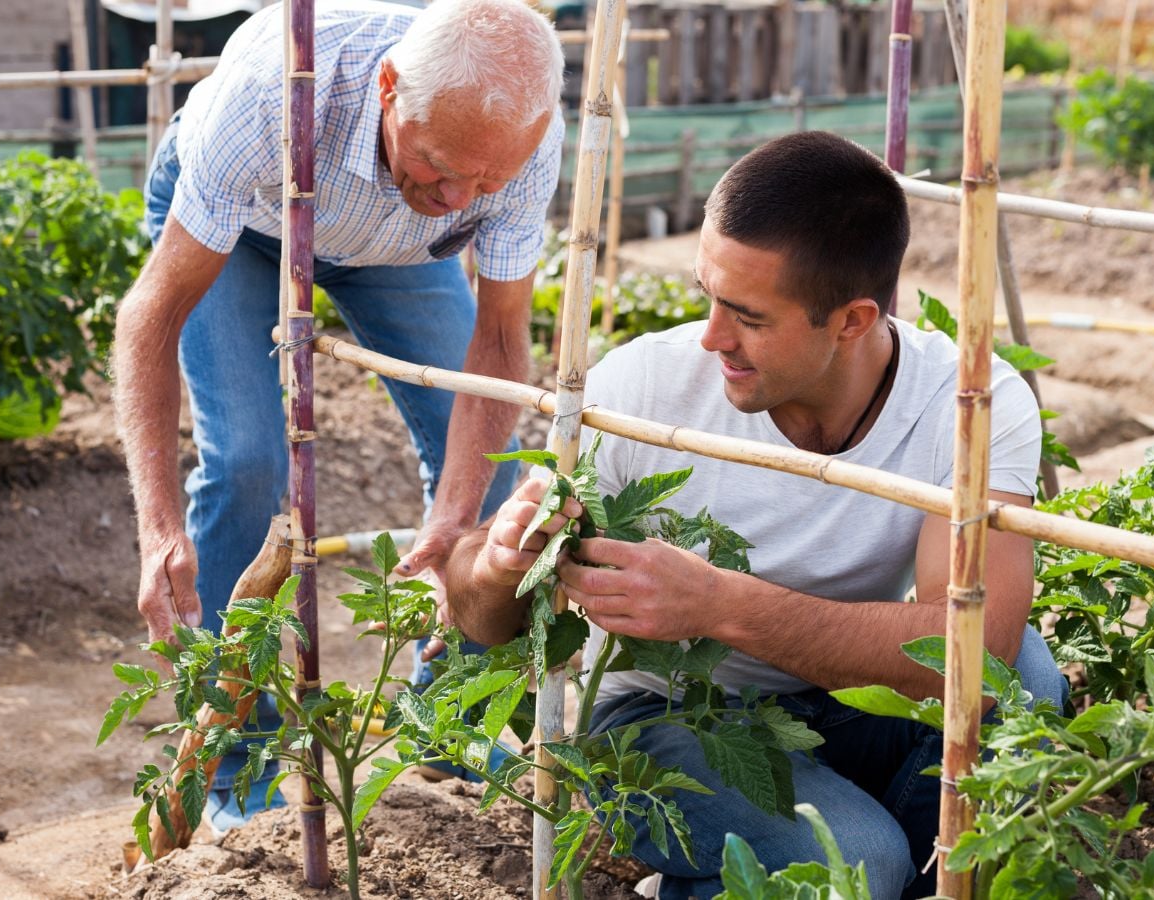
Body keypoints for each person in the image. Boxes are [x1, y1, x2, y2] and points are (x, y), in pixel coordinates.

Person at [444, 131, 1068, 899]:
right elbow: (483, 623)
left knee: (1025, 681)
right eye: (708, 294)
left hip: (837, 701)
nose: (711, 337)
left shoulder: (972, 403)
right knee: (858, 864)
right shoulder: (639, 390)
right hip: (666, 713)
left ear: (850, 319)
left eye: (748, 316)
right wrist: (497, 560)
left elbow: (976, 648)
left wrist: (717, 604)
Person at [112, 0, 564, 829]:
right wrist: (159, 530)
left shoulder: (516, 139)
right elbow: (153, 314)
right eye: (439, 161)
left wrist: (451, 517)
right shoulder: (266, 98)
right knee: (248, 462)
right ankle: (235, 755)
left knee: (493, 485)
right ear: (389, 87)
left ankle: (447, 720)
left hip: (393, 245)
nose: (460, 195)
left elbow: (500, 337)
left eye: (486, 181)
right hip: (245, 226)